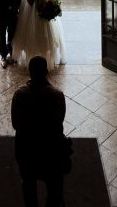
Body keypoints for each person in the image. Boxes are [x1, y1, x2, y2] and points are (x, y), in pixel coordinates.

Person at [11, 56, 69, 207]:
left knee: (28, 183)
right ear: (46, 71)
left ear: (30, 72)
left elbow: (15, 124)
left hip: (26, 150)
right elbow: (59, 122)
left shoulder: (19, 95)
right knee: (54, 185)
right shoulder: (57, 96)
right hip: (50, 150)